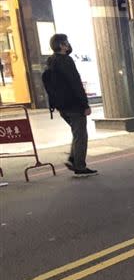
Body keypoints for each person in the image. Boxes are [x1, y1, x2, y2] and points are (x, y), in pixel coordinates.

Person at [45, 34, 97, 176]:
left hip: (62, 106)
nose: (68, 44)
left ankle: (74, 160)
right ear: (61, 45)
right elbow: (75, 83)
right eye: (66, 42)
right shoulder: (66, 60)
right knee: (81, 135)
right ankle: (79, 166)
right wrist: (85, 104)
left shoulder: (51, 61)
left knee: (76, 133)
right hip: (74, 104)